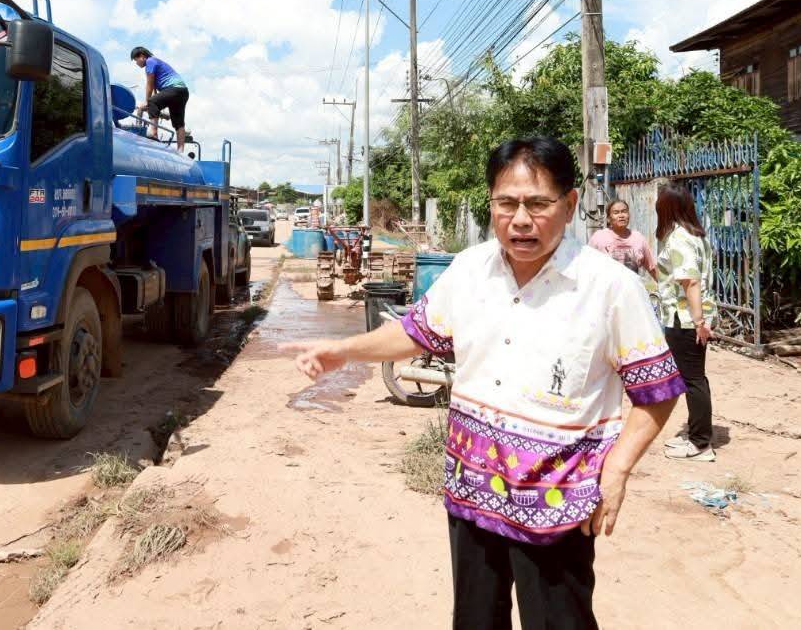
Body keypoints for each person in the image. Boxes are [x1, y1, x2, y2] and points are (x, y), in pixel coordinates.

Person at [282, 137, 684, 629]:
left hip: (558, 501)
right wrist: (342, 350)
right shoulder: (470, 269)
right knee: (475, 620)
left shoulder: (610, 287)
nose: (521, 220)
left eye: (538, 204)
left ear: (570, 204)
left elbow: (656, 391)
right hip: (472, 489)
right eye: (506, 203)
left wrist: (617, 469)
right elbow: (416, 333)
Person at [655, 182, 718, 462]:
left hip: (685, 319)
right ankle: (696, 434)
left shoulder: (680, 238)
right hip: (690, 317)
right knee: (693, 378)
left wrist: (698, 321)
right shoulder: (696, 235)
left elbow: (690, 281)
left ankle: (701, 444)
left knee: (693, 380)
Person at [131, 46, 190, 152]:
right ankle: (180, 150)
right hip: (182, 91)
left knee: (152, 101)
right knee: (179, 123)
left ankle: (154, 133)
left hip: (173, 89)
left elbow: (149, 85)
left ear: (142, 56)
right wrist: (154, 104)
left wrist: (148, 102)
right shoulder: (156, 62)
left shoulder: (150, 62)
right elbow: (154, 89)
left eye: (136, 60)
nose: (136, 63)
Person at [588, 199, 655, 275]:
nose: (621, 216)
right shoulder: (599, 237)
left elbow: (652, 267)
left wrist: (662, 281)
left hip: (631, 282)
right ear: (608, 218)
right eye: (616, 213)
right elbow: (586, 264)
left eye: (624, 211)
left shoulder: (638, 238)